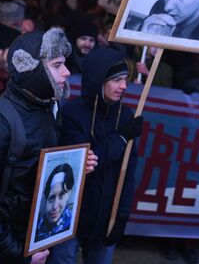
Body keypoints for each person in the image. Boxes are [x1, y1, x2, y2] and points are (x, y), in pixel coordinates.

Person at [0, 28, 72, 264]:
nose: (66, 72)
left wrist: (75, 168)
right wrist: (16, 254)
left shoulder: (46, 110)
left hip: (30, 246)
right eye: (57, 65)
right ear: (30, 67)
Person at [50, 48, 142, 264]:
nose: (123, 86)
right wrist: (120, 138)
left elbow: (128, 171)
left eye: (126, 79)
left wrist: (121, 215)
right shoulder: (71, 114)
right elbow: (83, 163)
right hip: (68, 217)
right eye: (116, 80)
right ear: (98, 79)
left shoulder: (127, 116)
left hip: (105, 218)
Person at [35, 163, 75, 242]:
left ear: (69, 194)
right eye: (51, 198)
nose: (55, 206)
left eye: (61, 195)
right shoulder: (36, 227)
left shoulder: (71, 226)